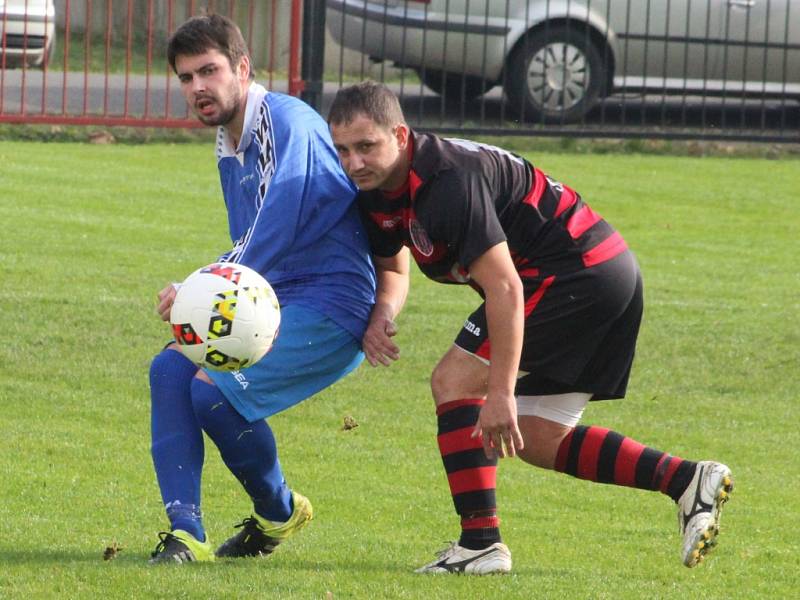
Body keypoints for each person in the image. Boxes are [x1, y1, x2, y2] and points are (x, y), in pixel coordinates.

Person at [327, 82, 733, 574]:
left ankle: (480, 544)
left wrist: (498, 391)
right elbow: (393, 269)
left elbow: (505, 290)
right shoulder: (376, 190)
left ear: (400, 133)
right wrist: (382, 316)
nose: (353, 163)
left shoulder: (447, 181)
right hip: (601, 272)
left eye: (366, 146)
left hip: (575, 273)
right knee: (540, 437)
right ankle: (687, 480)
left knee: (453, 381)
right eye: (343, 149)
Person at [147, 15, 375, 564]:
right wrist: (197, 291)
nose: (198, 87)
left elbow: (278, 222)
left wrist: (197, 289)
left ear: (243, 69)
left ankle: (276, 510)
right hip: (274, 300)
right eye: (185, 77)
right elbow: (247, 240)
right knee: (171, 370)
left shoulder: (286, 122)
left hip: (332, 305)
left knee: (211, 390)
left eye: (209, 70)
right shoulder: (230, 141)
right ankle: (186, 535)